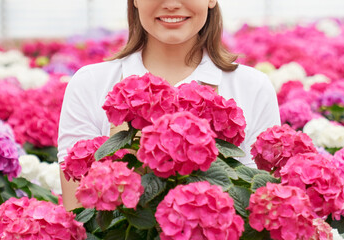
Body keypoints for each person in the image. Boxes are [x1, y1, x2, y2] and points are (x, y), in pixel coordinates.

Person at [57, 0, 280, 210]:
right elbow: (81, 216)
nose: (172, 4)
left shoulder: (253, 87)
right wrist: (124, 149)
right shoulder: (90, 84)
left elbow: (257, 207)